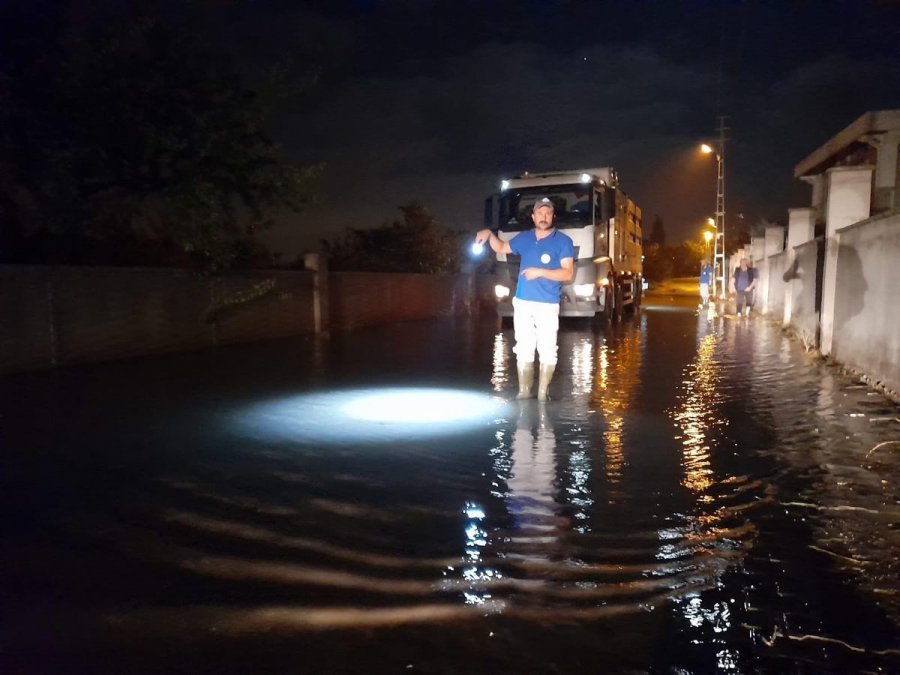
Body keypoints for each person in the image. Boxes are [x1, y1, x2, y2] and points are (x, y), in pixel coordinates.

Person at [475, 197, 575, 401]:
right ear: (533, 216)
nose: (543, 217)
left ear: (552, 216)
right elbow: (502, 248)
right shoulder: (525, 238)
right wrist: (489, 234)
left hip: (547, 304)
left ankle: (542, 393)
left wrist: (540, 272)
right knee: (523, 346)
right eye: (540, 213)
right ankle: (524, 392)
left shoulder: (563, 241)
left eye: (547, 213)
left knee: (547, 348)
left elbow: (567, 274)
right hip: (522, 302)